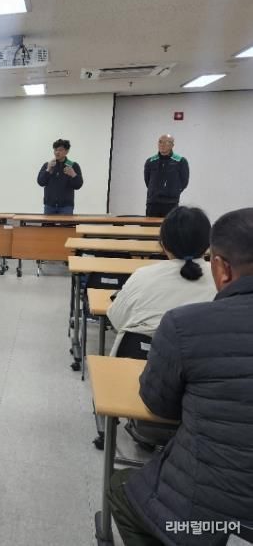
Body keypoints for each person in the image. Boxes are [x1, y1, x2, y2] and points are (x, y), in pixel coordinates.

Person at [108, 207, 253, 546]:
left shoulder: (183, 320)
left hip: (204, 508)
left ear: (221, 266)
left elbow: (158, 405)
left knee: (119, 487)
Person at [107, 206, 216, 355]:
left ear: (163, 244)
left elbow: (116, 319)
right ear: (208, 244)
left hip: (140, 365)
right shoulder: (223, 280)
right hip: (202, 365)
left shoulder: (142, 276)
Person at [144, 134, 190, 217]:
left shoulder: (180, 161)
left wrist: (173, 191)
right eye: (160, 142)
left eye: (166, 142)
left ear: (172, 145)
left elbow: (184, 182)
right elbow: (147, 181)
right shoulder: (150, 161)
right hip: (153, 203)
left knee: (169, 225)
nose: (162, 145)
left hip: (171, 203)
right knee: (150, 225)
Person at [36, 139, 83, 214]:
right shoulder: (48, 165)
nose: (57, 152)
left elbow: (78, 185)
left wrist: (73, 174)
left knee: (66, 223)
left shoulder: (72, 165)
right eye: (55, 150)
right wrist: (48, 170)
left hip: (66, 207)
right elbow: (41, 182)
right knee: (47, 223)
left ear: (67, 151)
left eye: (60, 150)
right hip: (49, 206)